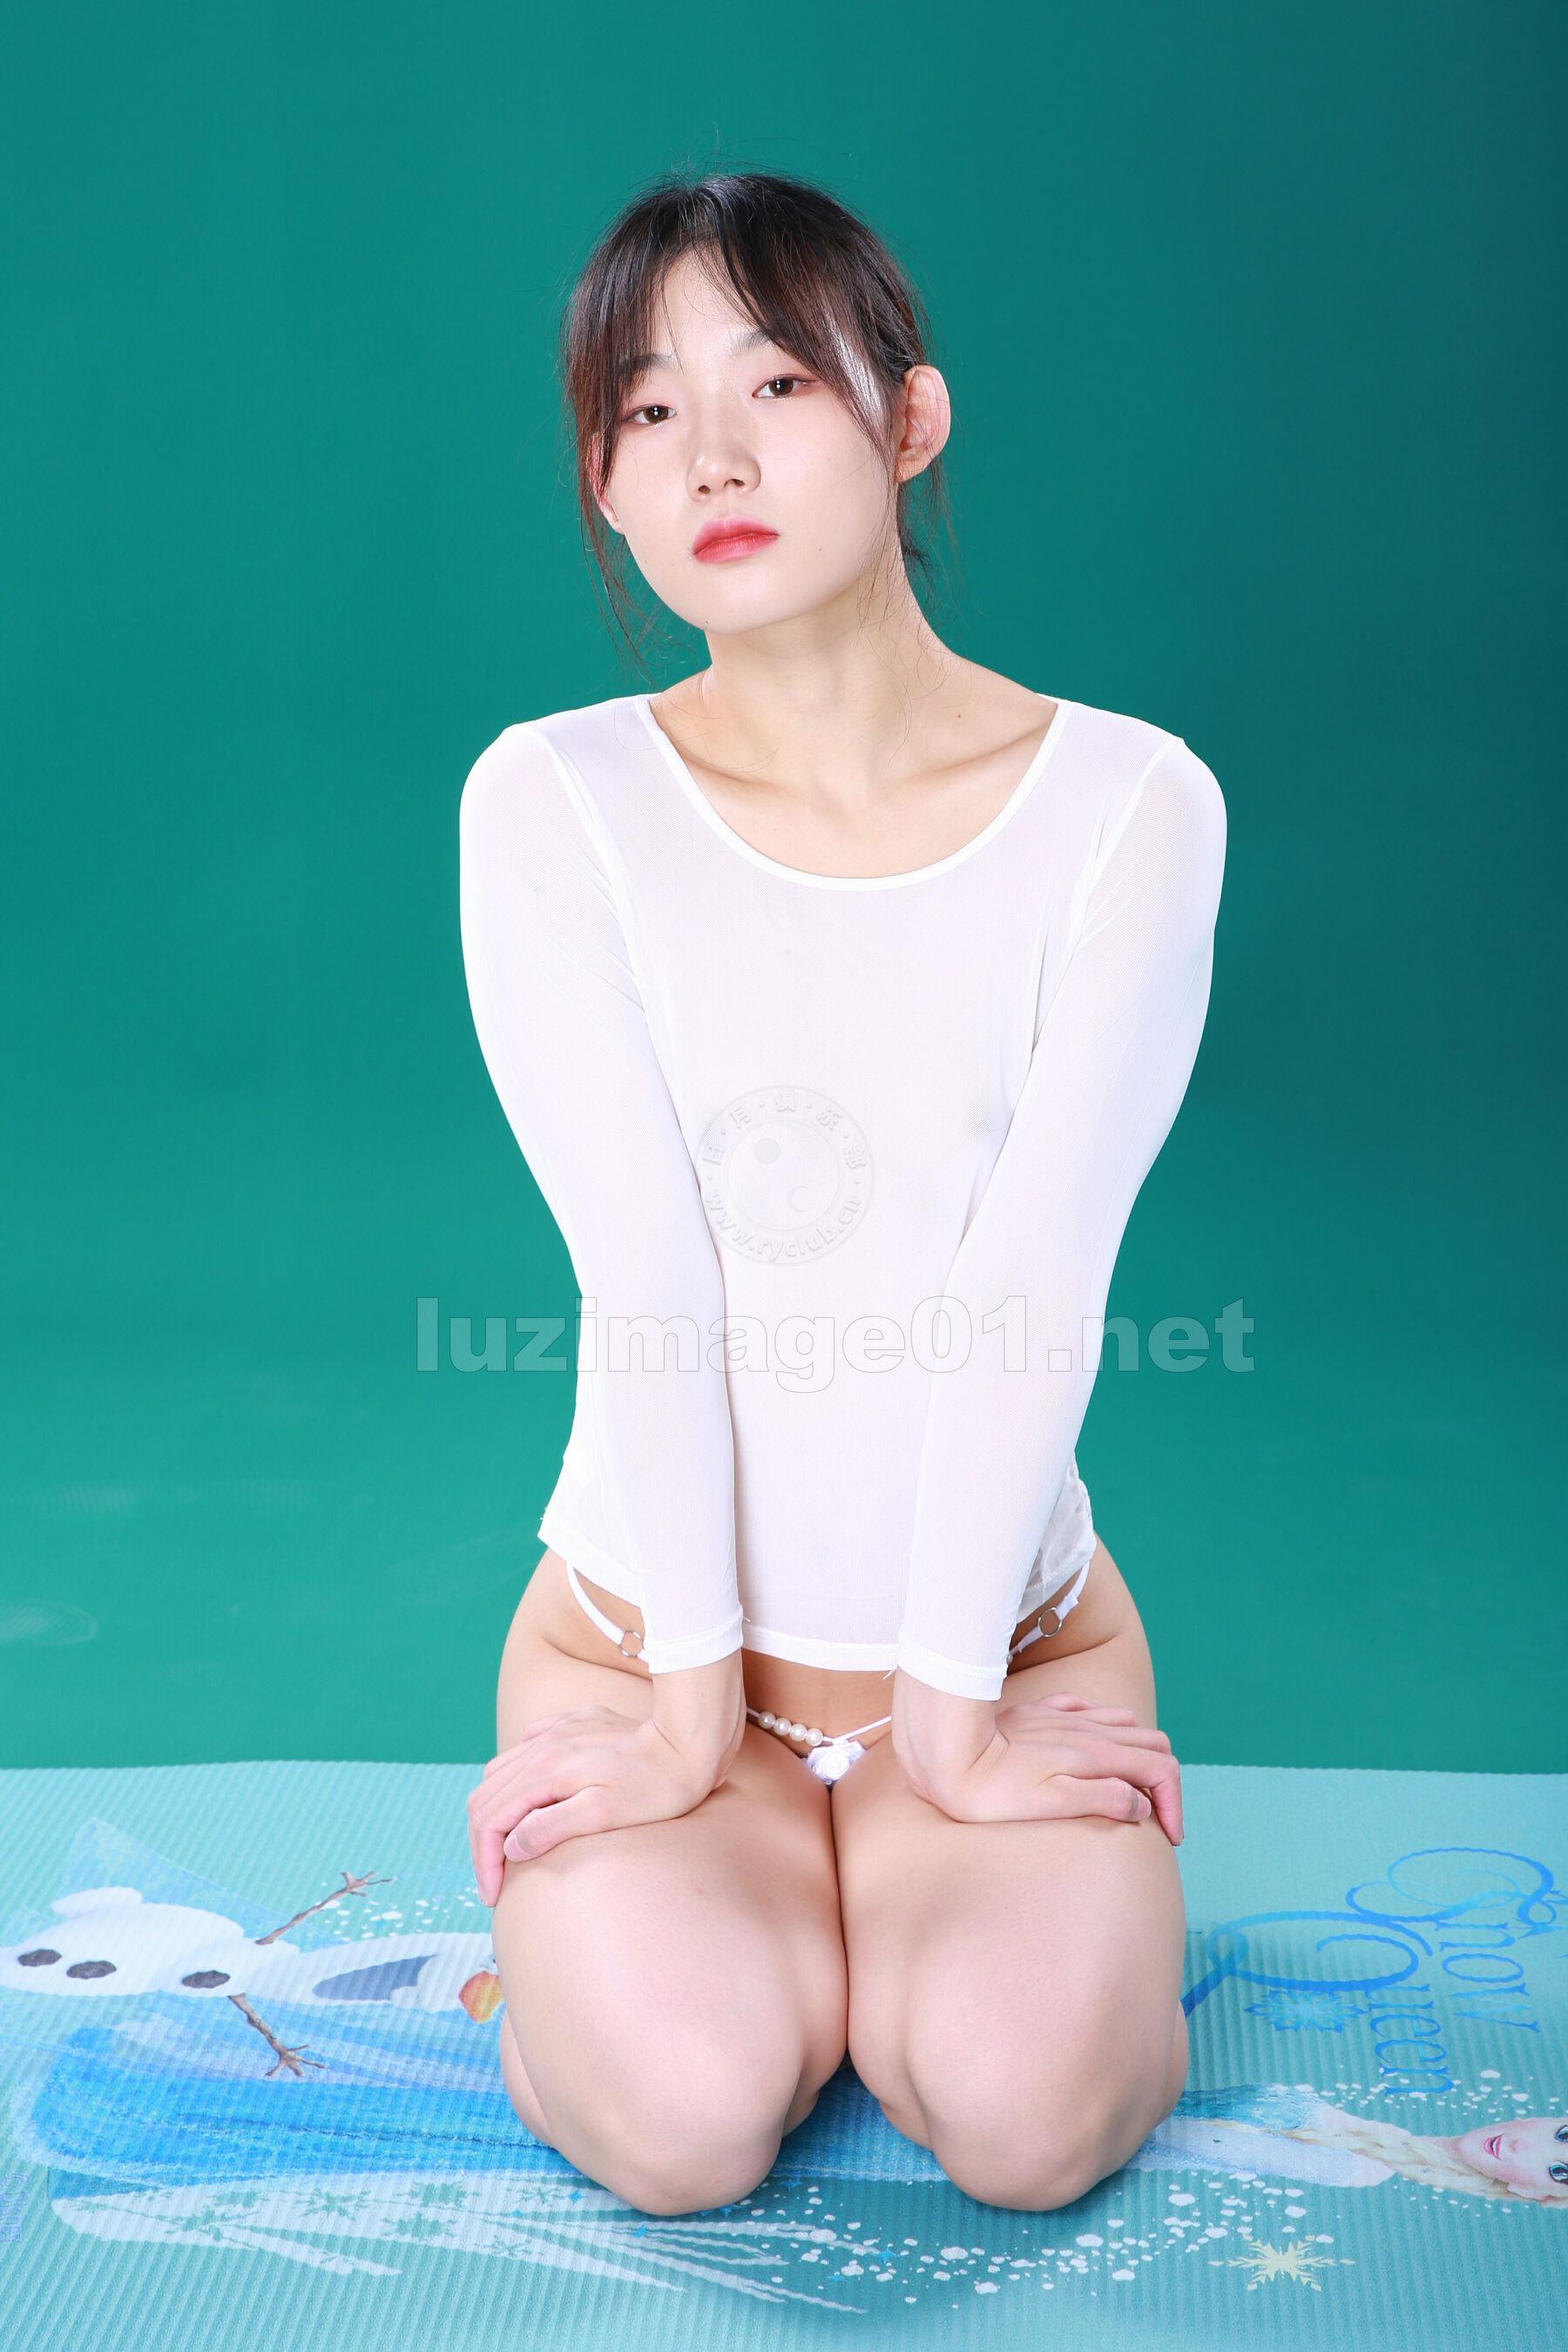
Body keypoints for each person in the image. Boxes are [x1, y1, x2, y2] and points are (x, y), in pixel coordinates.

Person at [458, 167, 1227, 2220]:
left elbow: (1034, 1281)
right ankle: (636, 1978)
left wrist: (956, 1730)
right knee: (684, 2123)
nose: (708, 454)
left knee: (1031, 2120)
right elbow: (645, 1275)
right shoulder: (552, 803)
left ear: (911, 417)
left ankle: (940, 1920)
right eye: (645, 410)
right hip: (650, 1659)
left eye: (777, 381)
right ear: (608, 486)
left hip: (1009, 1652)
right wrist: (681, 1716)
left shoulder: (1129, 806)